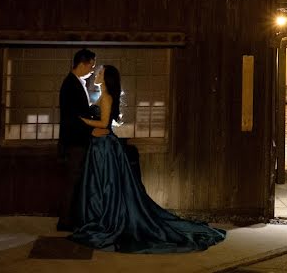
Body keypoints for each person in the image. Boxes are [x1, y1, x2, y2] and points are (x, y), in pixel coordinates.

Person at [70, 65, 226, 253]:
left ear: (107, 78)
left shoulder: (107, 97)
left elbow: (104, 124)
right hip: (100, 146)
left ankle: (108, 220)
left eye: (101, 72)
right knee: (101, 186)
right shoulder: (102, 96)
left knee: (108, 186)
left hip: (104, 148)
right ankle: (99, 217)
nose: (97, 74)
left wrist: (82, 120)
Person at [57, 48, 107, 232]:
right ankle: (65, 220)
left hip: (78, 139)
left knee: (77, 179)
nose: (93, 70)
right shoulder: (71, 84)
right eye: (92, 65)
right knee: (73, 180)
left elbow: (80, 112)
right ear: (82, 64)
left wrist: (94, 110)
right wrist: (91, 131)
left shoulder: (76, 83)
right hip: (75, 141)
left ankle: (72, 217)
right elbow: (72, 117)